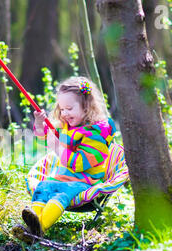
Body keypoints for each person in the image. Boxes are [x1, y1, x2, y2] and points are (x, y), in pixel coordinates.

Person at [13, 76, 117, 241]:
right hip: (62, 178)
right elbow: (44, 136)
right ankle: (32, 226)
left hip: (84, 182)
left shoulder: (96, 134)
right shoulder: (67, 127)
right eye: (61, 109)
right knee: (42, 187)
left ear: (86, 106)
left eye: (69, 108)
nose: (64, 113)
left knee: (60, 194)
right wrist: (40, 124)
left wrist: (56, 147)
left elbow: (80, 164)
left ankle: (39, 230)